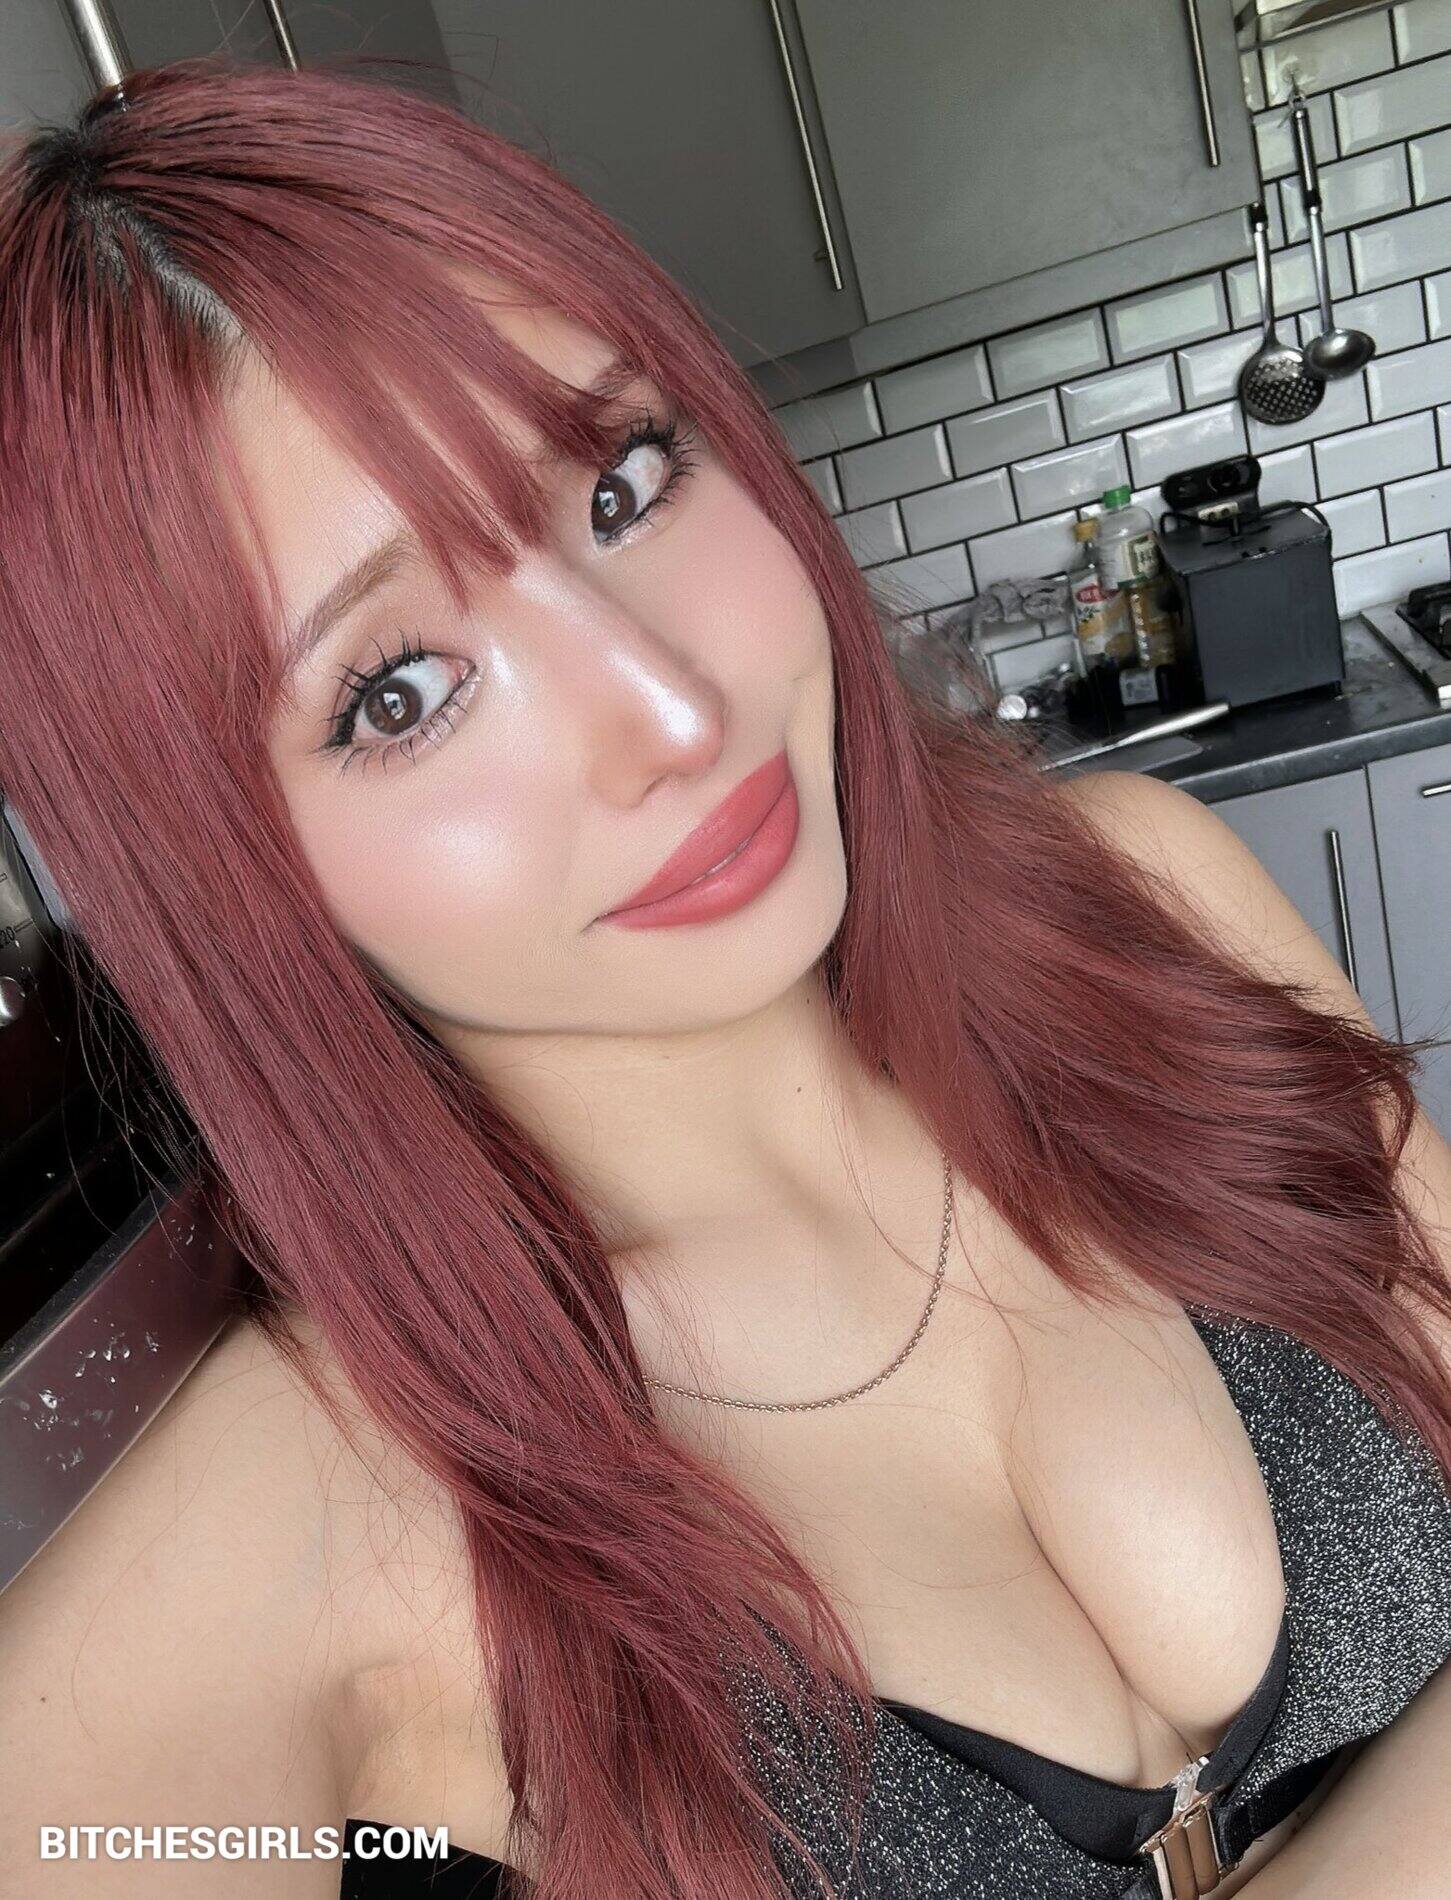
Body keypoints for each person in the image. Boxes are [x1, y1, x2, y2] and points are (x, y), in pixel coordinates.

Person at [1, 55, 1449, 1900]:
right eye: (399, 693)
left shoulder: (1143, 907)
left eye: (623, 482)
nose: (672, 712)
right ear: (221, 869)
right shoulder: (300, 1528)